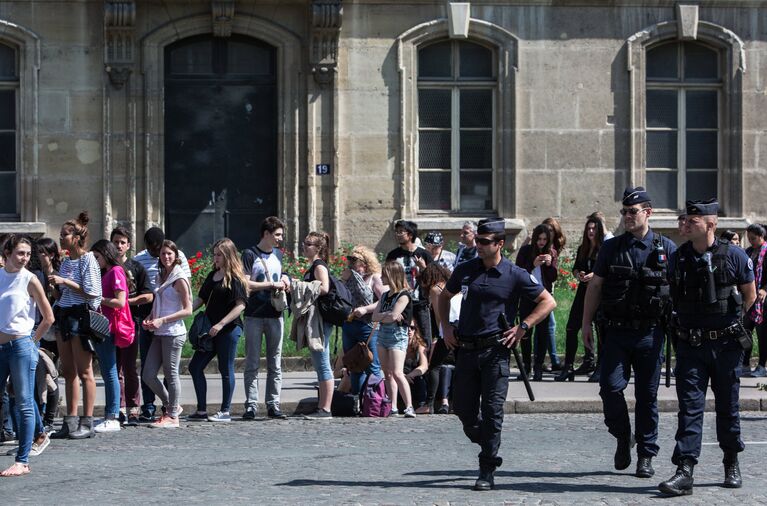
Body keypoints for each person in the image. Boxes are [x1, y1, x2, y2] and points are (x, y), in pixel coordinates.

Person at [438, 217, 556, 491]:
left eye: (484, 242)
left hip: (495, 352)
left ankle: (487, 467)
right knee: (464, 410)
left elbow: (548, 301)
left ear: (499, 244)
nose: (477, 245)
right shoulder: (466, 269)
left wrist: (523, 327)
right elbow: (444, 297)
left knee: (492, 412)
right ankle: (486, 439)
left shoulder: (514, 274)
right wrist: (445, 327)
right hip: (465, 350)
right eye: (477, 240)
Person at [658, 199, 756, 496]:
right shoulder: (678, 258)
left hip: (725, 346)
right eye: (684, 219)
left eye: (692, 220)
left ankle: (731, 461)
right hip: (691, 345)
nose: (685, 224)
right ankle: (684, 469)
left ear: (710, 224)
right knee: (689, 408)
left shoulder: (735, 256)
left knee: (728, 406)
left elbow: (750, 296)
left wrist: (733, 328)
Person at [581, 187, 677, 479]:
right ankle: (624, 437)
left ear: (647, 212)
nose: (626, 217)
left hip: (650, 333)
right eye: (623, 212)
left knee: (647, 396)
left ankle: (646, 455)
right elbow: (595, 287)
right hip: (617, 333)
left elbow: (679, 290)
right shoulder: (612, 248)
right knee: (610, 388)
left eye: (632, 212)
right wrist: (586, 324)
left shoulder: (666, 248)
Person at [0, 235, 54, 476]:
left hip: (21, 345)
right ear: (8, 252)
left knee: (23, 402)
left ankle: (22, 461)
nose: (25, 258)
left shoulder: (30, 280)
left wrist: (31, 343)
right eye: (20, 253)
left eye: (28, 254)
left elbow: (48, 317)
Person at [50, 212, 103, 440]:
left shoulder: (87, 259)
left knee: (85, 371)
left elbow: (92, 292)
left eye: (65, 235)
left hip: (81, 317)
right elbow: (62, 293)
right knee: (68, 371)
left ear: (76, 237)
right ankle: (70, 421)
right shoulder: (66, 261)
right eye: (61, 234)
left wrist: (65, 282)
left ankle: (87, 421)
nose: (61, 238)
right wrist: (55, 283)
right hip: (64, 315)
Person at [187, 238, 248, 423]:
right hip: (209, 330)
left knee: (225, 369)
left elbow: (241, 305)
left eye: (219, 255)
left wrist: (221, 324)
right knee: (195, 366)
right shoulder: (212, 275)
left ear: (228, 255)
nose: (215, 258)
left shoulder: (236, 278)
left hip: (229, 329)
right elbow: (201, 299)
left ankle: (225, 411)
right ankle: (201, 410)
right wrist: (185, 310)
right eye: (214, 254)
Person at [133, 227, 190, 422]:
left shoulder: (179, 277)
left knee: (171, 374)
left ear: (176, 256)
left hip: (173, 332)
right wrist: (151, 317)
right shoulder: (161, 275)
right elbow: (158, 302)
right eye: (163, 253)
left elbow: (188, 309)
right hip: (159, 331)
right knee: (148, 374)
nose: (165, 256)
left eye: (169, 254)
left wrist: (162, 320)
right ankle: (171, 405)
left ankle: (172, 415)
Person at [241, 217, 291, 420]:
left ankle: (273, 404)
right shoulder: (249, 254)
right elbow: (246, 283)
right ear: (266, 234)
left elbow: (282, 273)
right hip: (254, 314)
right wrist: (271, 285)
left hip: (275, 314)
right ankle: (251, 405)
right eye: (277, 234)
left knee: (275, 363)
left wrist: (285, 279)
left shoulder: (278, 254)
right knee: (252, 362)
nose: (280, 238)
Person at [110, 226, 153, 426]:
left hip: (130, 323)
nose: (119, 245)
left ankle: (133, 409)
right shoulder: (106, 268)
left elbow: (149, 295)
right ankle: (117, 408)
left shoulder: (137, 268)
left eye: (122, 242)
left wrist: (126, 302)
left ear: (128, 245)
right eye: (116, 241)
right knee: (113, 369)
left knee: (129, 368)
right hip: (110, 323)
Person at [89, 240, 132, 434]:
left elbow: (120, 301)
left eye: (97, 257)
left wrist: (98, 299)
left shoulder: (115, 271)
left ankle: (113, 415)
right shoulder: (106, 272)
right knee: (108, 371)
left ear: (106, 255)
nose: (95, 261)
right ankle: (110, 412)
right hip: (102, 326)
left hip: (109, 327)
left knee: (110, 371)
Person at [557, 216, 605, 381]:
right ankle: (568, 367)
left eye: (594, 229)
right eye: (588, 229)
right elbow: (576, 268)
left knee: (600, 329)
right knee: (571, 327)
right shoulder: (583, 249)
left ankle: (600, 367)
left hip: (599, 293)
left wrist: (594, 275)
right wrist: (579, 274)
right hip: (583, 291)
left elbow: (606, 271)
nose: (591, 232)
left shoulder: (604, 248)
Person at [299, 232, 336, 419]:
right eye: (304, 243)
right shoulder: (313, 265)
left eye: (309, 244)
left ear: (318, 248)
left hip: (320, 320)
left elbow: (324, 288)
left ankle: (326, 408)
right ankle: (323, 406)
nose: (304, 246)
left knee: (322, 363)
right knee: (320, 362)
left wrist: (300, 285)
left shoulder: (319, 265)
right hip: (316, 319)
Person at [515, 224, 558, 380]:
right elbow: (518, 272)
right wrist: (532, 264)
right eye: (539, 239)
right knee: (526, 331)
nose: (541, 242)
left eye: (544, 239)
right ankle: (526, 366)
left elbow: (553, 277)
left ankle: (538, 366)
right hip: (527, 296)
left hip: (544, 298)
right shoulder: (526, 251)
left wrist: (548, 264)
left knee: (543, 332)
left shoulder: (551, 252)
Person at [341, 245, 385, 396]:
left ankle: (376, 400)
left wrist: (366, 309)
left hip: (367, 325)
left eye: (356, 261)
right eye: (350, 260)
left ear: (365, 263)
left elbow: (384, 301)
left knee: (372, 364)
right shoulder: (348, 276)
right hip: (349, 324)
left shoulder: (374, 277)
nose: (352, 264)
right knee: (353, 364)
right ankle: (358, 400)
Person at [373, 261, 415, 418]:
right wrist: (388, 315)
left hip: (397, 335)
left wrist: (387, 316)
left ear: (392, 275)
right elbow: (374, 316)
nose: (381, 277)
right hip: (383, 334)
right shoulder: (384, 295)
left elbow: (393, 317)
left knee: (397, 372)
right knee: (387, 373)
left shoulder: (404, 295)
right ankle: (393, 406)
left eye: (384, 274)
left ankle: (409, 406)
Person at [386, 220, 433, 348]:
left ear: (410, 235)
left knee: (425, 336)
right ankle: (404, 365)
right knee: (400, 335)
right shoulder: (393, 255)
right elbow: (387, 280)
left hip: (420, 302)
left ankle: (425, 366)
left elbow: (434, 279)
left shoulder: (424, 254)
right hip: (400, 304)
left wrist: (423, 268)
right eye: (396, 232)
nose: (398, 234)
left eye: (401, 232)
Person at [32, 238, 62, 430]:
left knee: (52, 373)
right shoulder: (35, 275)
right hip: (39, 329)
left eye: (42, 252)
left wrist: (54, 290)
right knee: (39, 375)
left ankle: (50, 418)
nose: (38, 256)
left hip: (55, 331)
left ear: (51, 255)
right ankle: (43, 416)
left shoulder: (58, 275)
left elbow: (64, 299)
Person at [419, 262, 456, 414]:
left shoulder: (436, 289)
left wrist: (440, 335)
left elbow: (439, 315)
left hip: (447, 330)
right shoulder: (453, 286)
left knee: (434, 366)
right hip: (461, 328)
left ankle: (429, 404)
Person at [743, 223, 767, 377]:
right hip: (749, 298)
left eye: (753, 238)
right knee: (746, 331)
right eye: (749, 238)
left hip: (763, 300)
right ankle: (744, 363)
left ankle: (762, 365)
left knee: (762, 333)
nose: (751, 241)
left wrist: (765, 288)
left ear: (762, 237)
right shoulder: (749, 252)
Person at [403, 320, 429, 410]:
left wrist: (409, 375)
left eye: (412, 328)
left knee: (420, 379)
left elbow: (424, 366)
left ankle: (422, 405)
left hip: (413, 377)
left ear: (415, 330)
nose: (409, 330)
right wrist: (402, 376)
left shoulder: (420, 345)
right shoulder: (397, 345)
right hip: (400, 376)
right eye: (406, 327)